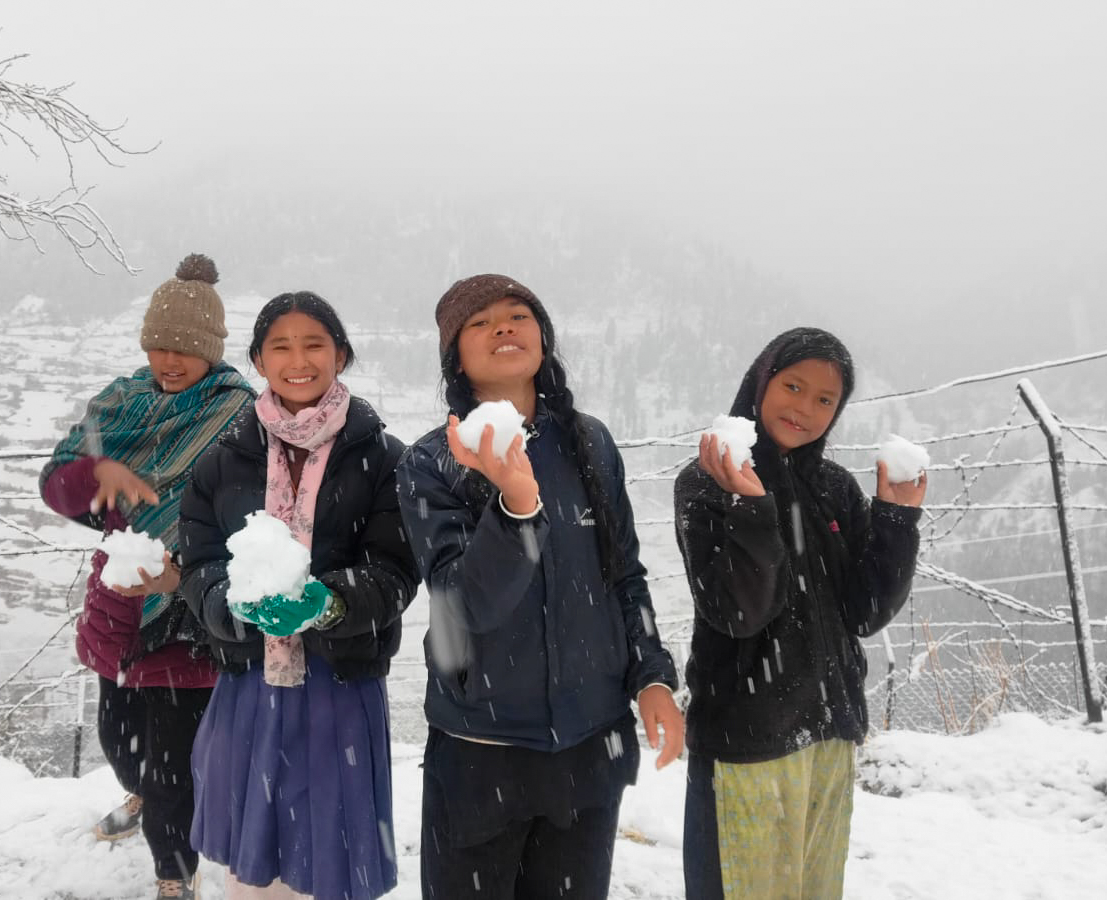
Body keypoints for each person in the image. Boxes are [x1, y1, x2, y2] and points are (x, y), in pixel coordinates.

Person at [395, 273, 684, 900]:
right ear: (456, 358)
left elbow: (624, 575)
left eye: (518, 315)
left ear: (543, 339)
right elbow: (465, 605)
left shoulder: (589, 444)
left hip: (590, 745)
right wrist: (517, 507)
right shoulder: (430, 463)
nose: (502, 326)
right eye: (480, 322)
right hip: (481, 749)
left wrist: (652, 677)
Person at [168, 291, 418, 899]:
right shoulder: (223, 461)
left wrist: (330, 603)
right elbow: (200, 564)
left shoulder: (384, 459)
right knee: (254, 867)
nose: (297, 360)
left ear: (341, 355)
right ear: (258, 360)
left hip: (340, 684)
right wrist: (230, 603)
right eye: (279, 346)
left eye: (314, 344)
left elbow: (395, 569)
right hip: (250, 683)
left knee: (332, 853)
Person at [674, 326, 926, 899]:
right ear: (761, 382)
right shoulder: (708, 482)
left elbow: (864, 613)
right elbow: (740, 613)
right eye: (793, 386)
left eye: (825, 399)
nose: (805, 408)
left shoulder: (833, 487)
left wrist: (895, 520)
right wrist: (751, 505)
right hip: (746, 744)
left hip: (828, 734)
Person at [40, 254, 254, 900]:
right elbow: (56, 484)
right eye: (159, 345)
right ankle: (142, 794)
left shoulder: (237, 413)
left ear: (210, 350)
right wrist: (95, 475)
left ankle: (174, 873)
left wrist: (190, 568)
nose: (169, 360)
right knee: (118, 739)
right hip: (123, 605)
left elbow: (258, 507)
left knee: (172, 768)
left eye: (184, 349)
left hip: (192, 608)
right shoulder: (121, 404)